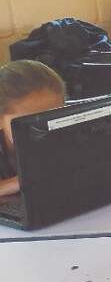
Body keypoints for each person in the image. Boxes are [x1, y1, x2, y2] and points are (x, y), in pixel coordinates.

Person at [0, 60, 66, 197]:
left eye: (53, 119)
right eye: (29, 123)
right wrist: (17, 182)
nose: (44, 131)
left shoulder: (72, 138)